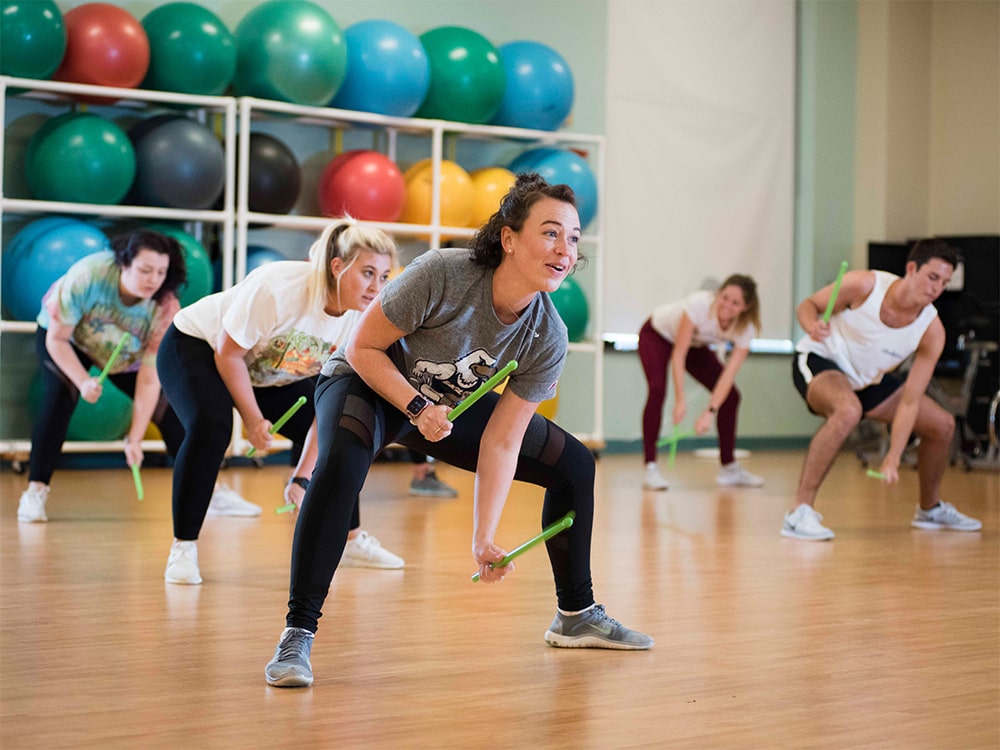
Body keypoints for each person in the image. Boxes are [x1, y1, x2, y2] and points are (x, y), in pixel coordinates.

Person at [263, 173, 653, 689]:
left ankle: (576, 614)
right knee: (340, 467)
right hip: (366, 382)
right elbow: (362, 348)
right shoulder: (444, 272)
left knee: (576, 467)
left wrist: (483, 536)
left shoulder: (547, 333)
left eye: (574, 238)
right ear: (510, 238)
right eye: (551, 232)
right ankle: (298, 633)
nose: (565, 250)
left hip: (437, 405)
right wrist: (415, 404)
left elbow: (503, 439)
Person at [157, 219, 404, 585]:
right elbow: (228, 355)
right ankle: (184, 546)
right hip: (200, 347)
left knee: (345, 430)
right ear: (338, 266)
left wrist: (302, 475)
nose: (375, 287)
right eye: (367, 273)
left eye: (383, 277)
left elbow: (333, 398)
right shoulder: (278, 288)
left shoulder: (363, 318)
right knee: (212, 427)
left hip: (269, 371)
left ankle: (349, 540)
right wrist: (254, 420)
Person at [784, 238, 982, 540]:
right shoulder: (864, 285)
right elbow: (808, 306)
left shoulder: (931, 330)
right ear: (912, 268)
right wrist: (812, 325)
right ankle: (799, 512)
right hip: (822, 359)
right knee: (848, 410)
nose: (936, 288)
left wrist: (893, 456)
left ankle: (930, 509)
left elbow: (910, 402)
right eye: (932, 277)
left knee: (942, 425)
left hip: (866, 379)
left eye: (944, 282)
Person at [16, 229, 187, 523]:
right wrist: (82, 380)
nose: (153, 279)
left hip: (124, 356)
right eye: (145, 270)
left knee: (172, 410)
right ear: (123, 263)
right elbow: (56, 340)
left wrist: (134, 438)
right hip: (69, 340)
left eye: (161, 272)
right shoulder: (88, 276)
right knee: (59, 396)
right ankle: (35, 490)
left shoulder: (165, 307)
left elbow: (149, 378)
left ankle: (208, 489)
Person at [638, 275, 764, 491]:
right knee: (658, 389)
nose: (727, 305)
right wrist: (680, 400)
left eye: (735, 303)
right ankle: (651, 468)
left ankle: (729, 468)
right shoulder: (699, 305)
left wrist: (710, 411)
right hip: (657, 334)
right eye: (724, 297)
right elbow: (679, 354)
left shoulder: (746, 329)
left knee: (731, 397)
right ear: (719, 293)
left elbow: (727, 376)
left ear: (746, 307)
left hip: (696, 346)